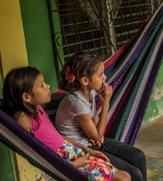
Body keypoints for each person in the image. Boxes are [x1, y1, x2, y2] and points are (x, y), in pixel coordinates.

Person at [1, 66, 130, 181]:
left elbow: (58, 137)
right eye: (41, 85)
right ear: (26, 97)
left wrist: (87, 150)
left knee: (125, 176)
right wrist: (74, 165)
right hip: (67, 163)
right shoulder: (23, 119)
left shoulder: (38, 109)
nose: (48, 86)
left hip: (75, 152)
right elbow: (38, 154)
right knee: (123, 178)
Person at [55, 51, 147, 181]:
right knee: (134, 174)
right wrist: (106, 104)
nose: (104, 77)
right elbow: (97, 135)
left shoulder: (91, 93)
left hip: (91, 142)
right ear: (85, 80)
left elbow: (97, 129)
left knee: (138, 156)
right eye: (100, 75)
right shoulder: (75, 102)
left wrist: (97, 135)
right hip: (80, 149)